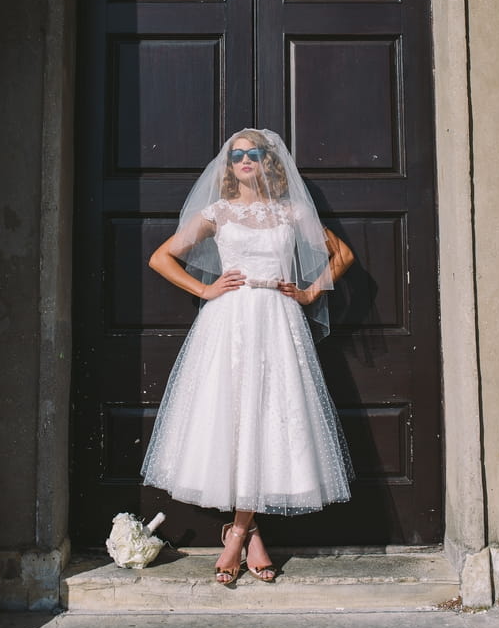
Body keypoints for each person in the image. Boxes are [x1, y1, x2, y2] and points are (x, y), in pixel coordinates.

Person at [141, 128, 354, 585]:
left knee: (268, 420)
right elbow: (161, 257)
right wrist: (205, 289)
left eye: (254, 154)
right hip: (228, 324)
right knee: (233, 423)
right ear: (229, 164)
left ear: (268, 162)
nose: (245, 160)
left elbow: (342, 254)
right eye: (237, 155)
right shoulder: (216, 212)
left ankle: (236, 534)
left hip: (277, 321)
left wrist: (309, 293)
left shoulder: (290, 211)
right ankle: (250, 532)